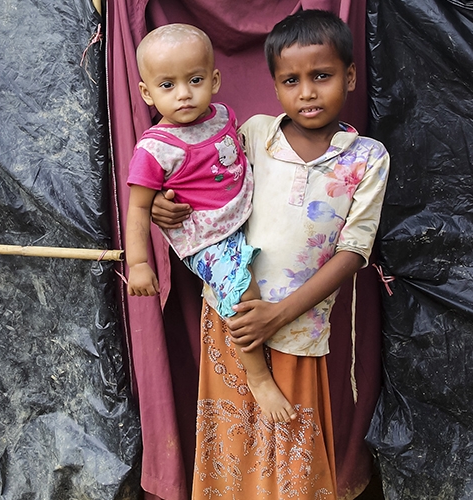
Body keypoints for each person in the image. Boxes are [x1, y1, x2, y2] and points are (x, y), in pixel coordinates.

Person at [152, 11, 389, 498]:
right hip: (232, 317)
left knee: (291, 453)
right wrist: (159, 202)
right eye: (291, 80)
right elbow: (201, 184)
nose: (306, 92)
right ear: (275, 85)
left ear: (349, 76)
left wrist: (278, 314)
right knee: (234, 445)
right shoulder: (256, 133)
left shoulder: (367, 157)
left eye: (321, 76)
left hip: (299, 326)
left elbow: (354, 252)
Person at [121, 24, 293, 424]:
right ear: (147, 93)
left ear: (214, 81)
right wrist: (139, 264)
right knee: (241, 291)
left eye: (195, 80)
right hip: (205, 238)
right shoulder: (154, 149)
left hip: (239, 216)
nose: (184, 93)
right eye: (167, 85)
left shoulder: (221, 116)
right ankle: (259, 377)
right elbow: (138, 210)